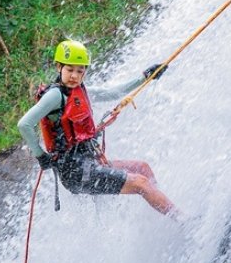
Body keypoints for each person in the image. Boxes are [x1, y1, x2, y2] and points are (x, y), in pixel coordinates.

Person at [17, 39, 178, 216]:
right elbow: (24, 124)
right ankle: (182, 220)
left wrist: (145, 77)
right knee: (140, 183)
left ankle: (163, 211)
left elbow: (112, 93)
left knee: (142, 168)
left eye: (80, 71)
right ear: (58, 67)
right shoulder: (55, 95)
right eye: (70, 70)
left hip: (89, 163)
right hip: (75, 173)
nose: (74, 76)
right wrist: (40, 155)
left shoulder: (79, 89)